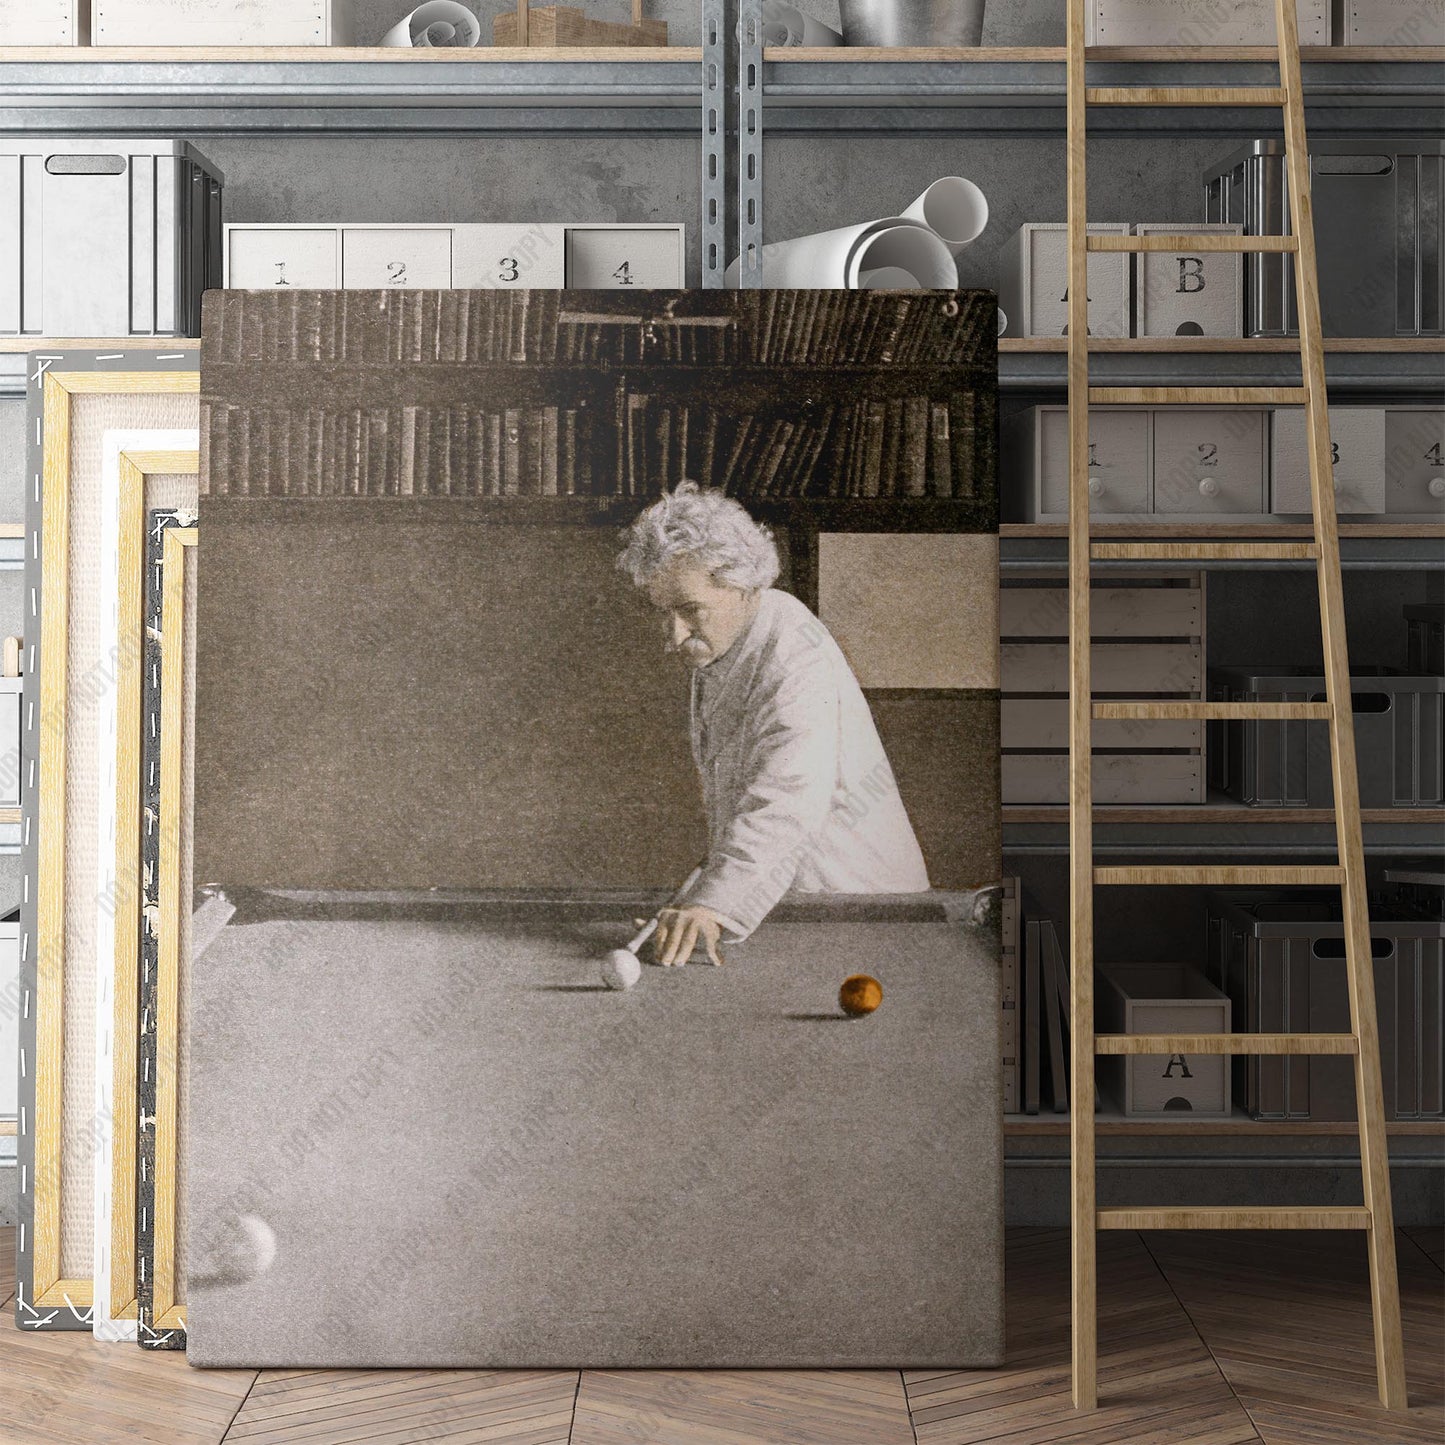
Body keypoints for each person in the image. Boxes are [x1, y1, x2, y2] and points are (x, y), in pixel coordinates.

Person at [616, 482, 930, 967]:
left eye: (689, 609)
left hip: (866, 905)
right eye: (665, 612)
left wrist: (709, 904)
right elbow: (740, 799)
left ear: (742, 585)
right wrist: (696, 900)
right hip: (801, 899)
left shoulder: (795, 652)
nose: (674, 635)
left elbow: (787, 796)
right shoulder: (725, 643)